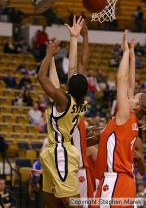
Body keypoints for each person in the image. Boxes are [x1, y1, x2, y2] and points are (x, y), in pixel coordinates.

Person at [38, 16, 88, 208]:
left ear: (68, 87)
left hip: (61, 153)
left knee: (71, 202)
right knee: (51, 203)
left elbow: (42, 78)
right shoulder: (80, 100)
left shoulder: (64, 100)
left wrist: (49, 54)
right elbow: (79, 67)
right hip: (54, 152)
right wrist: (80, 37)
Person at [95, 31, 146, 207]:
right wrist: (132, 54)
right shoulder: (131, 120)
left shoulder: (125, 116)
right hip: (125, 183)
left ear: (136, 107)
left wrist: (124, 53)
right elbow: (130, 85)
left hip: (115, 181)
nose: (129, 97)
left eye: (133, 98)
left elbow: (121, 81)